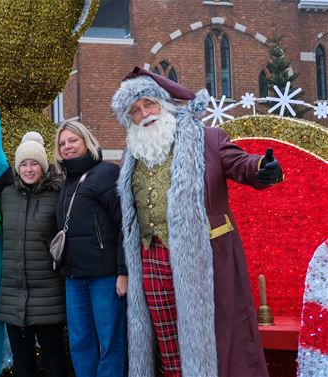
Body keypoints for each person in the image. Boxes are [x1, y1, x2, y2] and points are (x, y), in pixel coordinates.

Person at [111, 66, 283, 377]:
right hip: (150, 258)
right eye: (135, 111)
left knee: (212, 339)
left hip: (203, 257)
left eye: (148, 104)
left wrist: (262, 167)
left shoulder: (207, 139)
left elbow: (241, 163)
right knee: (166, 339)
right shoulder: (131, 157)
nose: (144, 114)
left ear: (164, 106)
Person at [53, 121, 128, 377]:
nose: (67, 147)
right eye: (62, 143)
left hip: (105, 277)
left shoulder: (106, 172)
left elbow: (124, 224)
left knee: (110, 342)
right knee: (80, 342)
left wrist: (123, 271)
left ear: (86, 141)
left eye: (72, 140)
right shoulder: (67, 181)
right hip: (74, 278)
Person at [0, 131, 68, 377]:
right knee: (22, 360)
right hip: (12, 294)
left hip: (48, 293)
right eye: (24, 164)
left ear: (43, 166)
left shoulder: (57, 195)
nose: (29, 169)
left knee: (54, 356)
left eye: (34, 163)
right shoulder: (5, 195)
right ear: (17, 168)